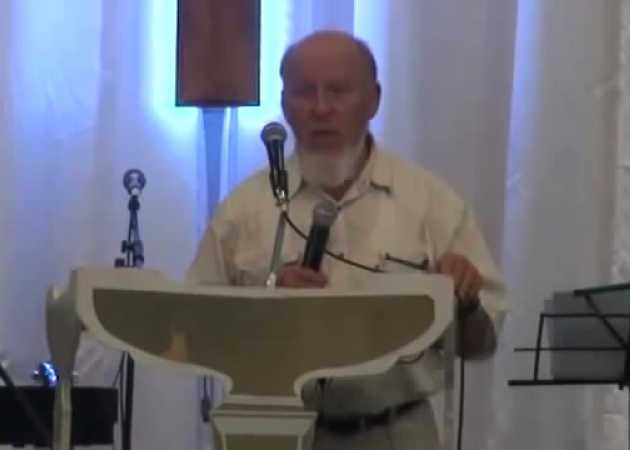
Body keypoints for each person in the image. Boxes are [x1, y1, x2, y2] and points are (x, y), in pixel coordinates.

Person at [185, 30, 508, 450]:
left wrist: (464, 301)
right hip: (276, 432)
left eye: (337, 91)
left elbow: (482, 343)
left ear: (373, 100)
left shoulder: (430, 203)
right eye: (305, 92)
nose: (321, 108)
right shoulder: (243, 210)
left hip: (397, 432)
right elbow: (192, 335)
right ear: (284, 105)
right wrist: (267, 305)